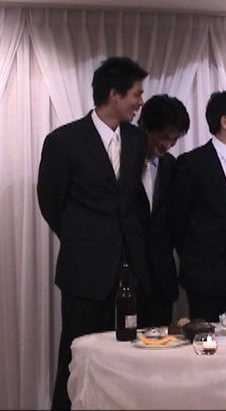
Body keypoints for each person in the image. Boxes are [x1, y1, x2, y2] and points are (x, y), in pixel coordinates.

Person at [37, 56, 149, 409]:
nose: (140, 101)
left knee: (124, 357)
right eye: (136, 94)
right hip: (83, 270)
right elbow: (51, 202)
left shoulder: (136, 139)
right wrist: (83, 239)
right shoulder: (63, 140)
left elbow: (132, 201)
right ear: (114, 95)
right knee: (76, 355)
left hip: (128, 270)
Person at [172, 90, 226, 322]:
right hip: (204, 274)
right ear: (225, 121)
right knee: (206, 337)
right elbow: (178, 222)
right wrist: (197, 256)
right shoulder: (192, 163)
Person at [136, 94, 190, 327]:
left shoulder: (171, 166)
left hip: (161, 279)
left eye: (174, 140)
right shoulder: (121, 162)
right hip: (124, 277)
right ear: (143, 126)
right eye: (164, 137)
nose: (167, 145)